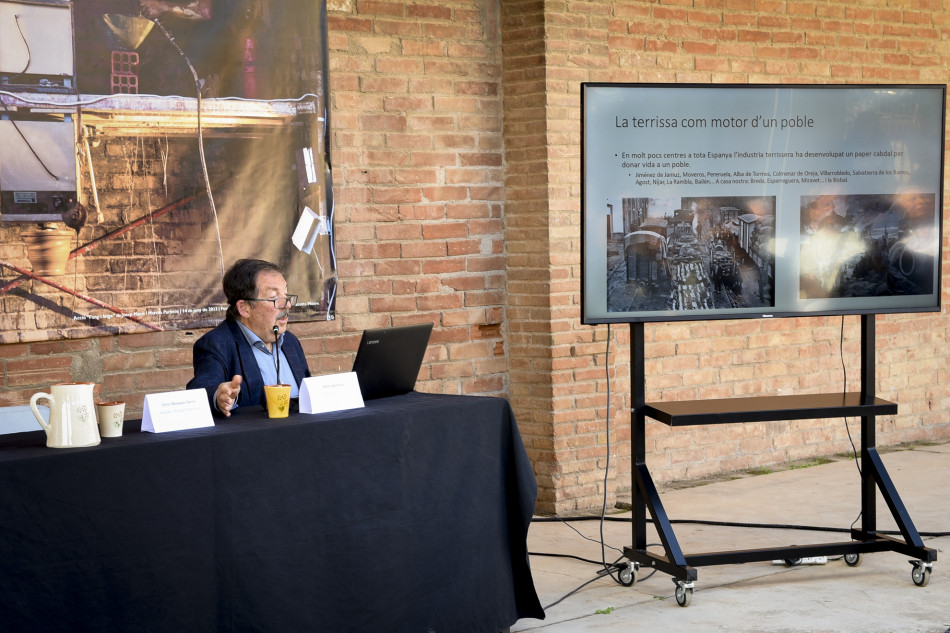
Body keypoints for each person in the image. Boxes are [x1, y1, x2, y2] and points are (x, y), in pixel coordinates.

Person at [187, 258, 311, 417]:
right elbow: (201, 390)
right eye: (274, 297)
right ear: (244, 308)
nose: (287, 305)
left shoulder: (290, 342)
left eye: (286, 295)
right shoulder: (216, 344)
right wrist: (219, 397)